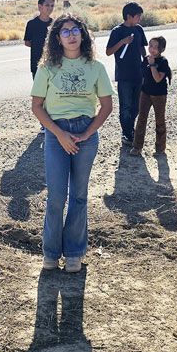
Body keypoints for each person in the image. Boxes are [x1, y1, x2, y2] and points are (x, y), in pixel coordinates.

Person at [31, 14, 114, 273]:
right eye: (65, 32)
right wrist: (59, 133)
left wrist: (88, 133)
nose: (71, 35)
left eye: (75, 30)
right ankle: (51, 252)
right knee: (56, 197)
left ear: (83, 34)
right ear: (57, 38)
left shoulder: (95, 67)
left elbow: (107, 105)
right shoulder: (47, 67)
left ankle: (74, 253)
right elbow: (37, 106)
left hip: (85, 134)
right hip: (57, 133)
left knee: (79, 195)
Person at [106, 2, 147, 145]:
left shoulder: (139, 29)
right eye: (138, 16)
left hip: (138, 74)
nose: (139, 19)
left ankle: (130, 129)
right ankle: (127, 133)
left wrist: (145, 62)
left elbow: (142, 47)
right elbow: (108, 51)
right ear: (129, 16)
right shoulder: (117, 31)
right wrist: (123, 42)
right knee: (125, 106)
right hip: (124, 76)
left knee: (137, 106)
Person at [131, 36, 172, 156]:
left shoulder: (163, 62)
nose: (152, 49)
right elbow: (144, 76)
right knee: (141, 119)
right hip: (145, 92)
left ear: (162, 49)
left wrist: (153, 65)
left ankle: (160, 148)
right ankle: (137, 146)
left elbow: (158, 79)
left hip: (159, 95)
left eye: (155, 47)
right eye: (150, 46)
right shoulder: (146, 59)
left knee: (159, 121)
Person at [24, 0, 55, 134]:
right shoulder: (32, 24)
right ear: (40, 6)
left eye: (52, 6)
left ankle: (52, 121)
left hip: (53, 63)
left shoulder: (55, 24)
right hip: (37, 64)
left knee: (52, 93)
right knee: (40, 94)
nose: (49, 8)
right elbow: (28, 42)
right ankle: (43, 123)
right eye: (47, 5)